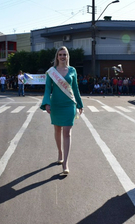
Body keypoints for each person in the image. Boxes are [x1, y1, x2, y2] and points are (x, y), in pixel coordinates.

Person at [40, 46, 83, 175]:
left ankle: (65, 162)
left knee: (67, 132)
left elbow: (75, 89)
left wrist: (80, 104)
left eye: (65, 54)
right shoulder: (51, 71)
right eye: (60, 54)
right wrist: (47, 103)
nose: (63, 57)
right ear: (57, 57)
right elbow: (48, 89)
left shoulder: (72, 70)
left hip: (69, 104)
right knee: (57, 130)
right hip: (56, 105)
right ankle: (60, 152)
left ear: (67, 56)